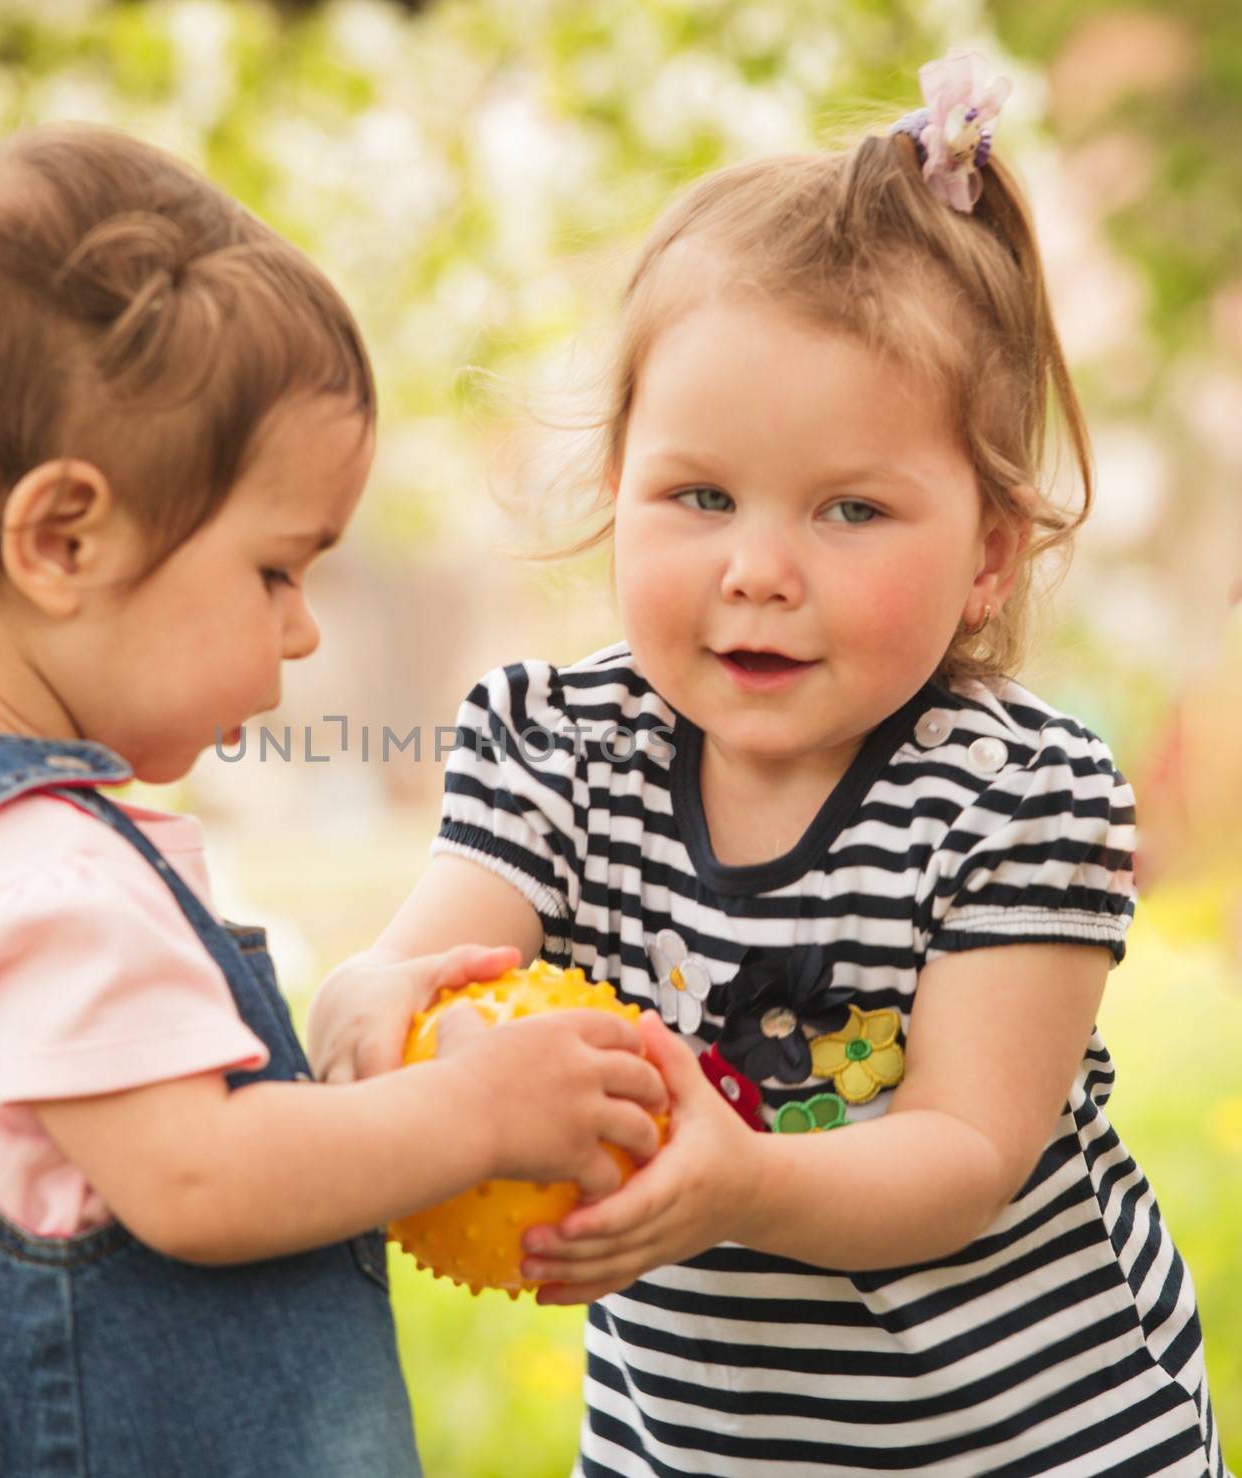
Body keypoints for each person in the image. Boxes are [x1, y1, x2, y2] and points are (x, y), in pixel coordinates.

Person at [309, 52, 1227, 1475]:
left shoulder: (1018, 797)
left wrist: (746, 1178)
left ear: (989, 552)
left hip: (1028, 1440)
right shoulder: (559, 746)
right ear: (617, 489)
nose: (756, 570)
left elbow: (964, 1156)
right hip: (694, 1447)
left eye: (851, 508)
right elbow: (436, 969)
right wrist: (371, 1001)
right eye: (699, 495)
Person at [0, 125, 669, 1477]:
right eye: (275, 571)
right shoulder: (42, 874)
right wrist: (473, 1113)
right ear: (64, 539)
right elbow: (200, 1175)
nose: (302, 635)